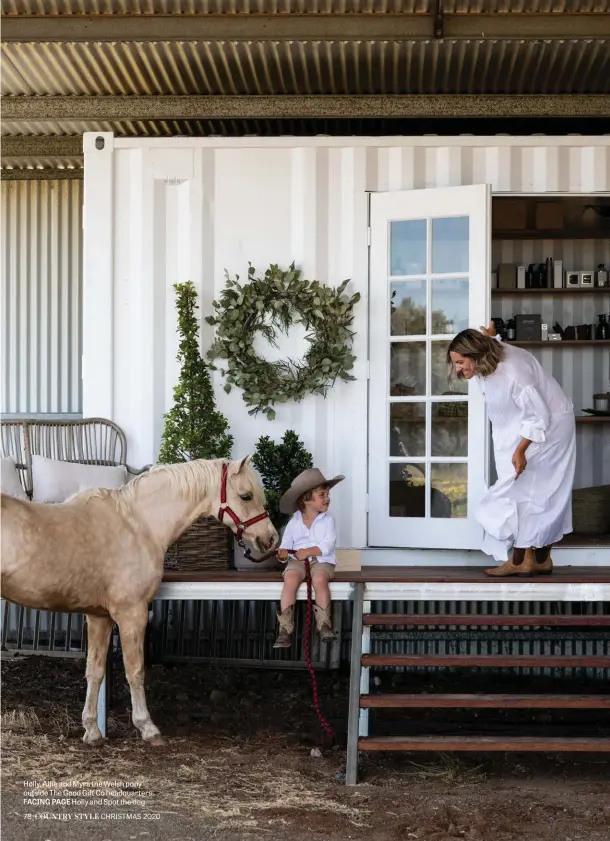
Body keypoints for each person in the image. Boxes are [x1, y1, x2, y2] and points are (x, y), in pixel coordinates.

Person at [447, 323, 575, 577]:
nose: (458, 369)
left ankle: (519, 561)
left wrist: (520, 451)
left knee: (527, 492)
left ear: (475, 354)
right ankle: (539, 560)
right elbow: (491, 341)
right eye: (455, 363)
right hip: (526, 424)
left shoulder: (512, 374)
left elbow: (540, 416)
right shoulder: (489, 352)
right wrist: (486, 335)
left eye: (461, 362)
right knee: (534, 492)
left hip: (549, 428)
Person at [273, 468, 344, 648]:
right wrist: (283, 554)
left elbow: (327, 545)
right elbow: (286, 545)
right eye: (322, 494)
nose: (327, 497)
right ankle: (285, 629)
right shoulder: (293, 522)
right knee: (290, 579)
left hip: (322, 560)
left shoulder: (328, 521)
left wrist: (308, 551)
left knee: (320, 579)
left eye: (328, 494)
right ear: (306, 499)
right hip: (297, 561)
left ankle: (324, 624)